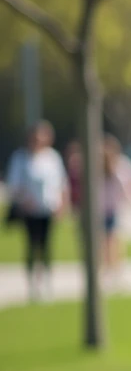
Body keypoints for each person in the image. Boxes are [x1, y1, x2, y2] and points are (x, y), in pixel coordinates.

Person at [4, 121, 69, 302]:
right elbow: (14, 185)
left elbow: (61, 183)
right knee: (32, 245)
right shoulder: (21, 158)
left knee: (46, 246)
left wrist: (62, 205)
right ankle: (32, 283)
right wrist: (24, 200)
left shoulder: (52, 158)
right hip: (30, 210)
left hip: (48, 208)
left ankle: (47, 281)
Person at [101, 134, 131, 284]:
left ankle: (116, 269)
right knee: (102, 241)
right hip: (100, 209)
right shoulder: (97, 165)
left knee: (114, 240)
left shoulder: (122, 165)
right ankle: (105, 268)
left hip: (114, 208)